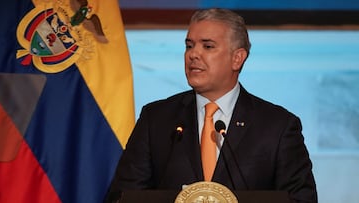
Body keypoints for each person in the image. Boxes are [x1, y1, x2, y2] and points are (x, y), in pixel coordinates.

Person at [105, 8, 317, 203]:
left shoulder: (277, 126)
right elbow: (121, 197)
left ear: (237, 58)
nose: (193, 54)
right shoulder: (156, 119)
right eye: (189, 45)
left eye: (208, 46)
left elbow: (301, 200)